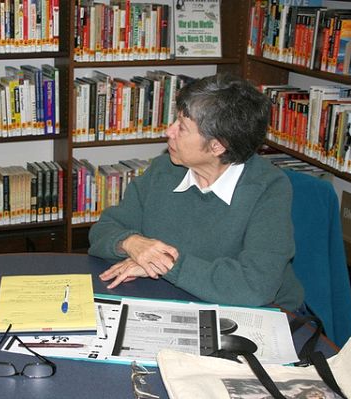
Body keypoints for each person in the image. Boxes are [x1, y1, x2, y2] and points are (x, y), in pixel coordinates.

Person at [88, 73, 304, 311]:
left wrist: (164, 263)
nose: (169, 131)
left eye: (182, 127)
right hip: (172, 300)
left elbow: (254, 286)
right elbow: (104, 230)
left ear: (217, 146)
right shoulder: (165, 169)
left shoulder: (268, 189)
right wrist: (131, 243)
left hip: (257, 314)